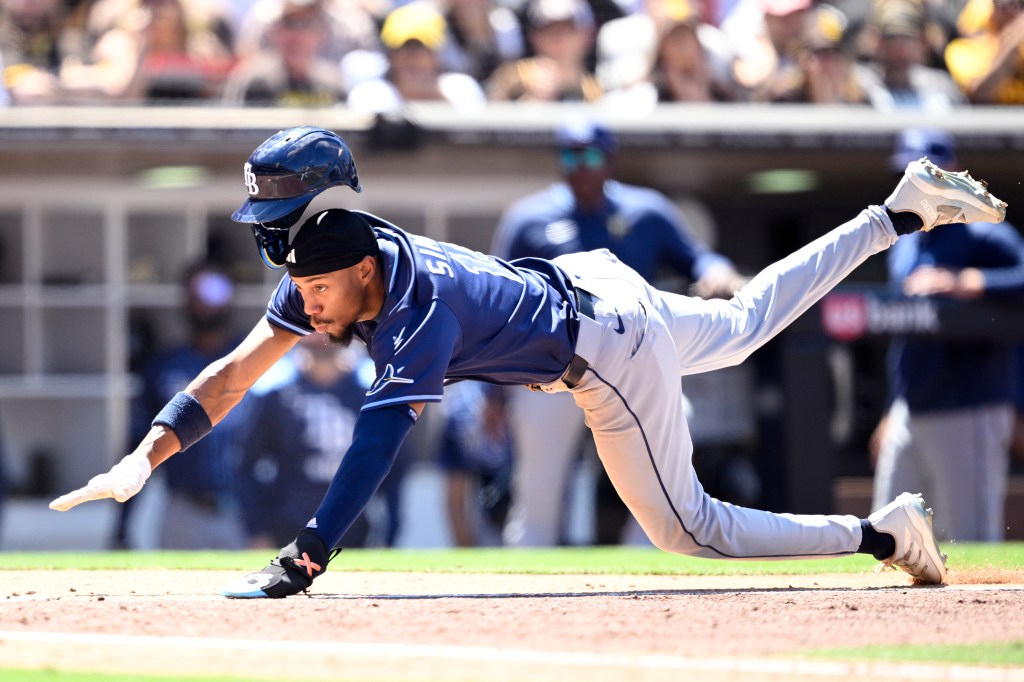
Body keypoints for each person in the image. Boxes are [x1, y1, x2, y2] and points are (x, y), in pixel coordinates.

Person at [50, 125, 1008, 598]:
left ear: (335, 232)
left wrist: (305, 561)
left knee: (692, 532)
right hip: (596, 289)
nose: (283, 270)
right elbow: (234, 371)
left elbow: (374, 445)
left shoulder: (413, 302)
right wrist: (143, 458)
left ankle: (884, 536)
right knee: (750, 319)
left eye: (287, 239)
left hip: (602, 347)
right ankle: (895, 212)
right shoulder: (333, 270)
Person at [492, 118, 743, 547]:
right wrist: (491, 392)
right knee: (539, 488)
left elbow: (697, 259)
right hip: (552, 366)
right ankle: (525, 583)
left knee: (678, 423)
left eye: (589, 155)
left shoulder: (646, 210)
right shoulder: (528, 218)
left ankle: (643, 553)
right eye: (569, 155)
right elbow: (496, 300)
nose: (580, 166)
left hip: (630, 361)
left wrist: (718, 271)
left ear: (610, 160)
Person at [868, 127, 1024, 542]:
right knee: (888, 533)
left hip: (969, 406)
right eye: (910, 175)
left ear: (953, 174)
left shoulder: (984, 232)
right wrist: (892, 406)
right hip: (911, 407)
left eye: (930, 174)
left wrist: (968, 281)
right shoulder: (906, 243)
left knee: (966, 539)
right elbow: (907, 331)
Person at [116, 260, 249, 549]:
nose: (204, 302)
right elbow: (140, 443)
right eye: (195, 293)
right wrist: (122, 524)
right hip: (183, 508)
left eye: (213, 291)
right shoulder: (164, 366)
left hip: (247, 510)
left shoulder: (255, 363)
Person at [237, 334, 377, 549]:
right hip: (288, 522)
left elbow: (396, 463)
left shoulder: (372, 386)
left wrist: (391, 530)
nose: (321, 334)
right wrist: (257, 529)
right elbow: (244, 463)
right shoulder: (272, 388)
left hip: (354, 524)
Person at [221, 0, 345, 107]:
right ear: (276, 30)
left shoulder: (332, 83)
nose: (297, 34)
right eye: (289, 24)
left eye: (307, 24)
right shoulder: (254, 80)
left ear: (321, 33)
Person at [436, 381, 514, 547]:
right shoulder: (459, 417)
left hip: (507, 473)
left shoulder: (519, 416)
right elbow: (454, 497)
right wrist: (466, 551)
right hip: (476, 464)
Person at [944, 0, 1024, 104]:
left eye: (1021, 5)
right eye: (1007, 5)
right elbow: (979, 94)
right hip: (992, 117)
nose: (1016, 12)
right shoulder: (964, 50)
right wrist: (1012, 44)